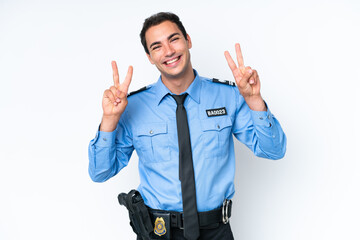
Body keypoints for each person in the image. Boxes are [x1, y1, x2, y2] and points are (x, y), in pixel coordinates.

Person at [88, 12, 286, 240]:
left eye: (174, 39)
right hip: (157, 233)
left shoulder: (228, 96)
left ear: (188, 40)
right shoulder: (132, 106)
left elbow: (274, 150)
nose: (169, 51)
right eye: (157, 46)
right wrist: (110, 120)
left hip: (215, 232)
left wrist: (254, 100)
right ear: (150, 57)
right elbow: (100, 172)